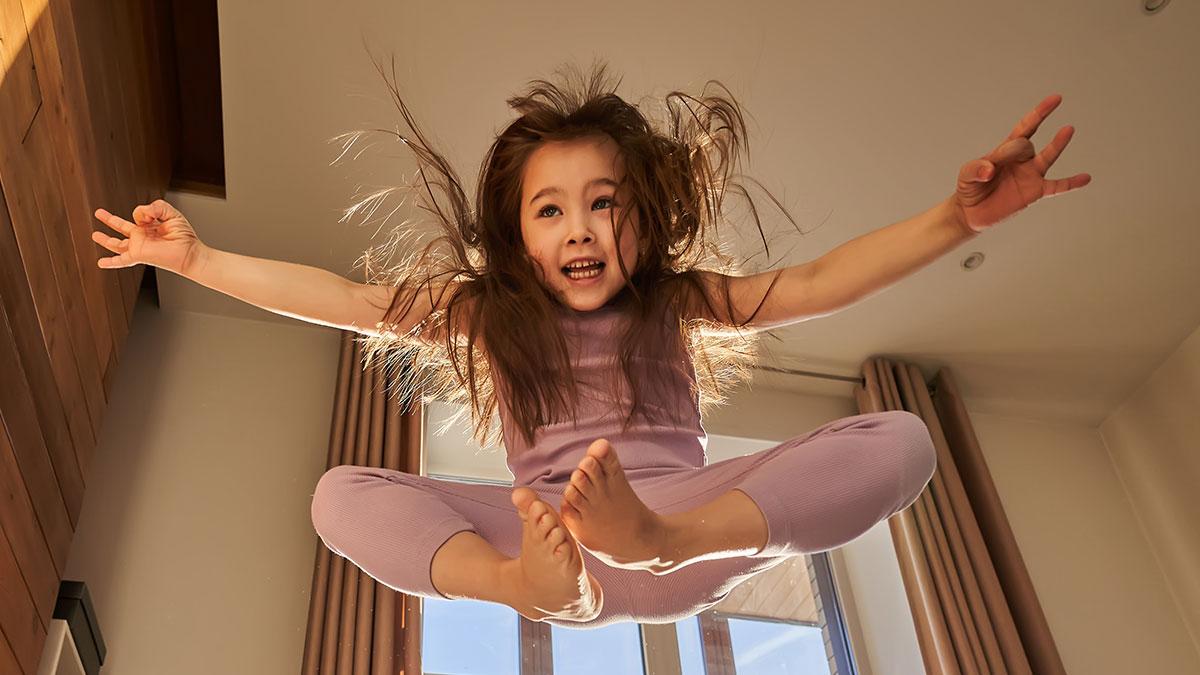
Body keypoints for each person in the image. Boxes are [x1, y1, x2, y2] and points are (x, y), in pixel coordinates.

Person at [91, 61, 1089, 629]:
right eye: (551, 210)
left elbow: (821, 282)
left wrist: (956, 219)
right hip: (551, 545)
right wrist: (199, 260)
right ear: (517, 236)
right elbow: (351, 298)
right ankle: (526, 592)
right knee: (336, 496)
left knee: (904, 440)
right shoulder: (489, 311)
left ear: (644, 219)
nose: (579, 229)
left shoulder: (674, 300)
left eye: (604, 204)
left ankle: (659, 541)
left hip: (684, 527)